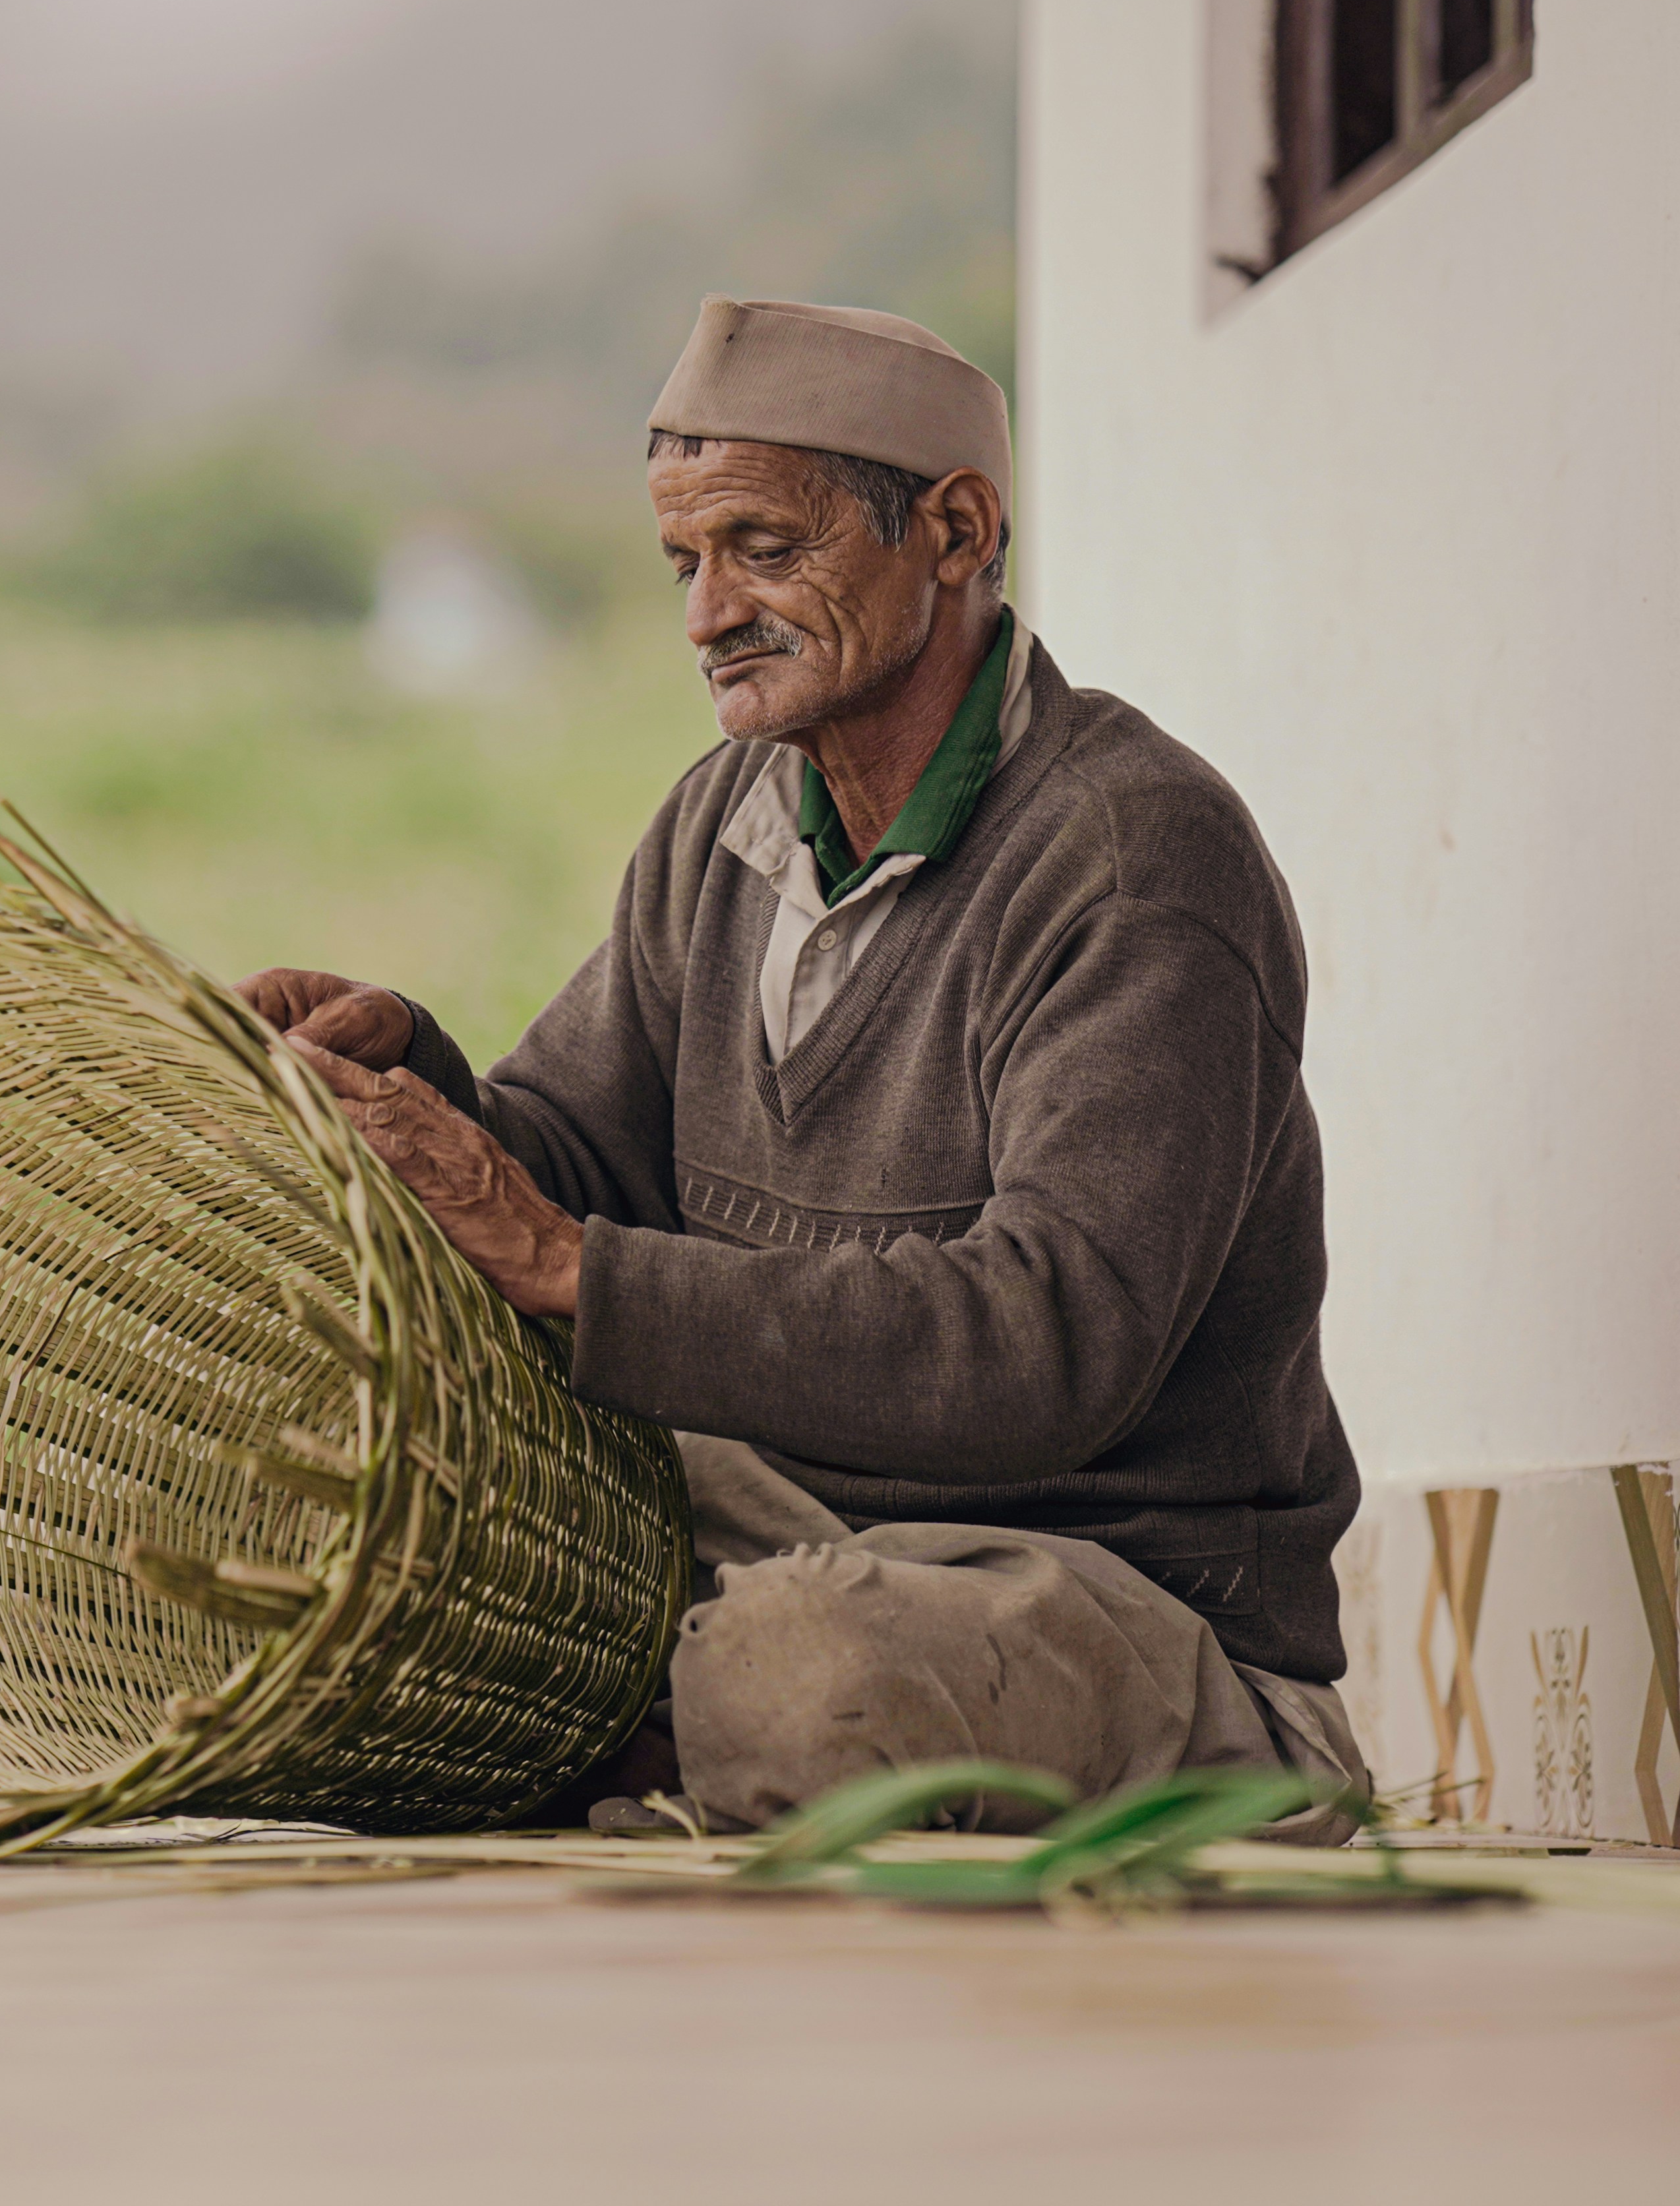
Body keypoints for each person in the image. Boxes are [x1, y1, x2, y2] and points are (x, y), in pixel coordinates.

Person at [242, 296, 1367, 1840]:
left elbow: (1049, 1341)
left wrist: (567, 1260)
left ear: (956, 530)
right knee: (360, 1533)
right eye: (685, 563)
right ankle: (675, 1762)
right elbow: (570, 1153)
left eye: (765, 548)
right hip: (797, 1540)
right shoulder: (723, 826)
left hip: (1111, 1604)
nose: (708, 613)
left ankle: (691, 1759)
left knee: (800, 1672)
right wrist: (418, 1089)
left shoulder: (1130, 856)